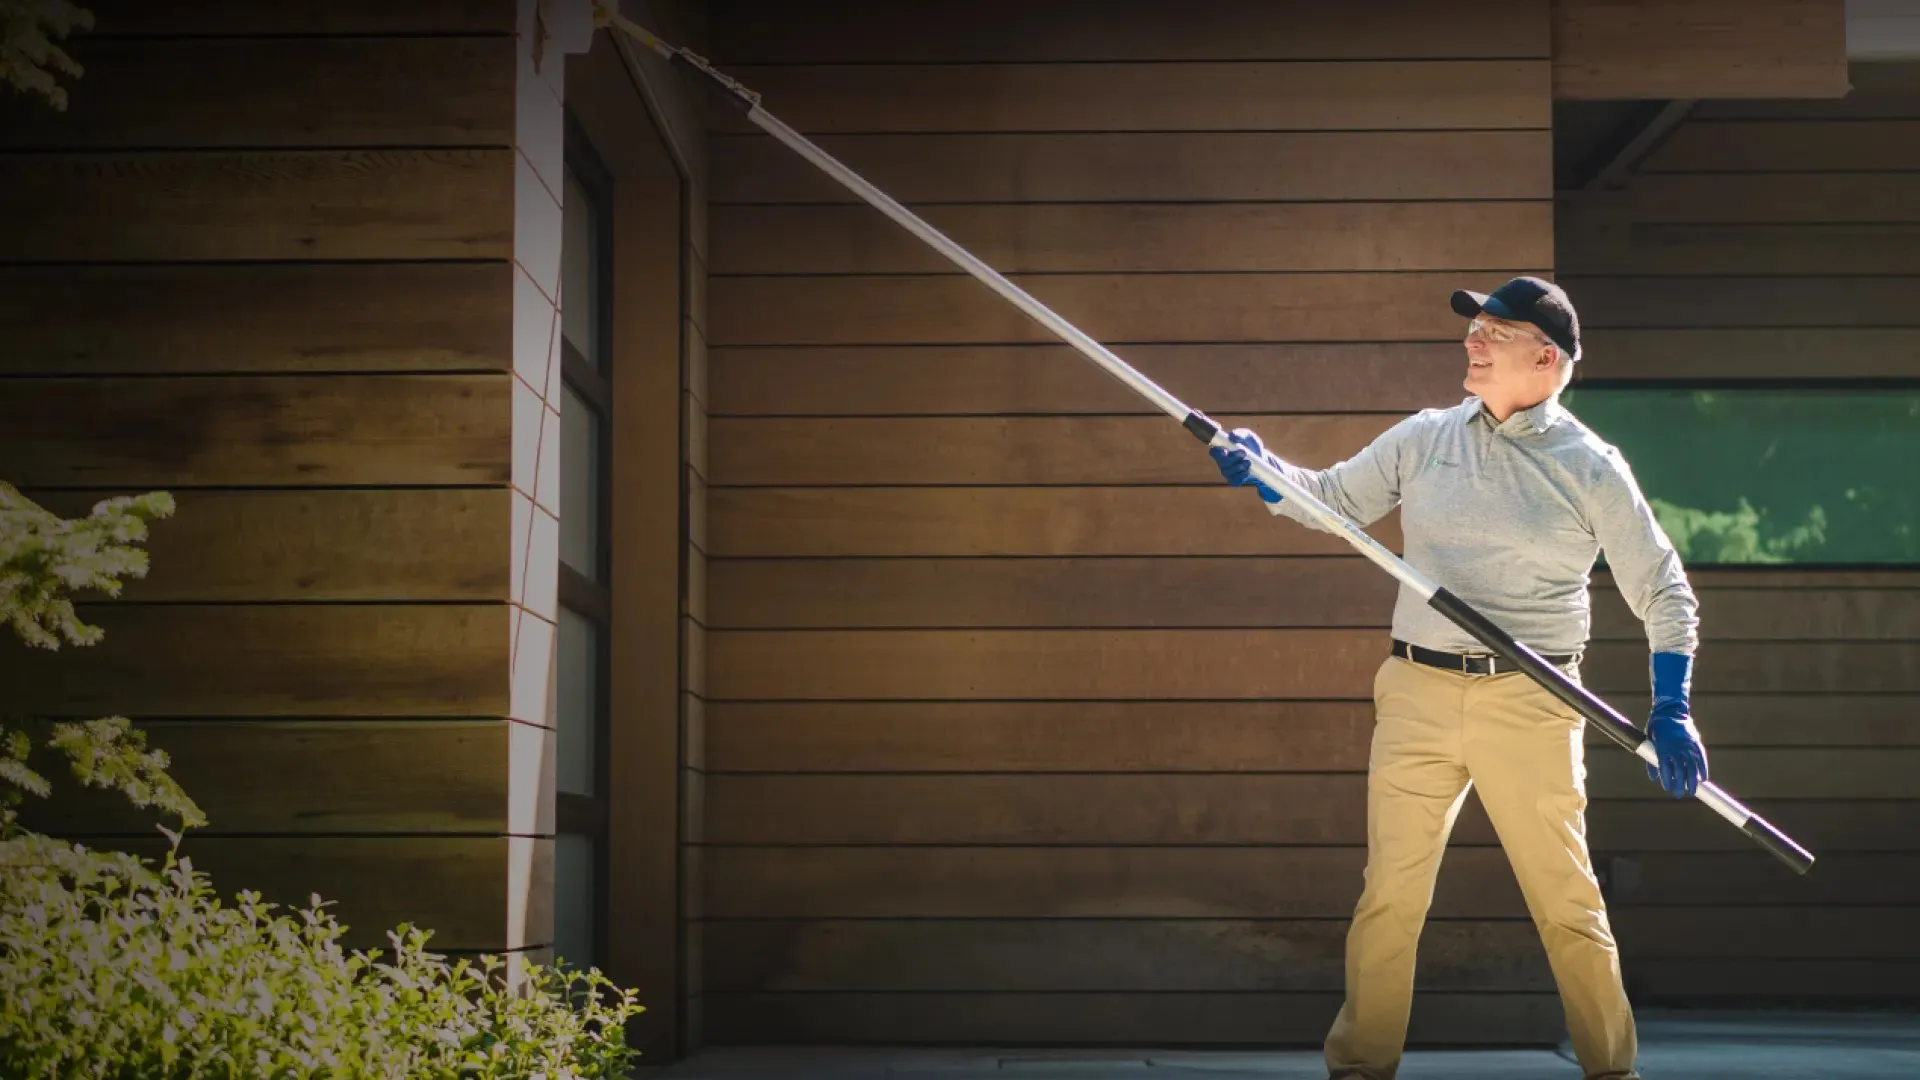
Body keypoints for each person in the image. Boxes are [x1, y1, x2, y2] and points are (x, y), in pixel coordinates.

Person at [1209, 276, 1709, 1080]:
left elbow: (1664, 591)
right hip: (1416, 691)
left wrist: (1672, 704)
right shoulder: (1426, 435)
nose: (1471, 343)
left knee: (1567, 906)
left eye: (1492, 333)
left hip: (1534, 703)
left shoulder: (1591, 467)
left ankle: (1613, 1073)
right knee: (1389, 901)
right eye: (1472, 328)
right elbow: (1332, 500)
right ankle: (1360, 1069)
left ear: (1545, 359)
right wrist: (1262, 468)